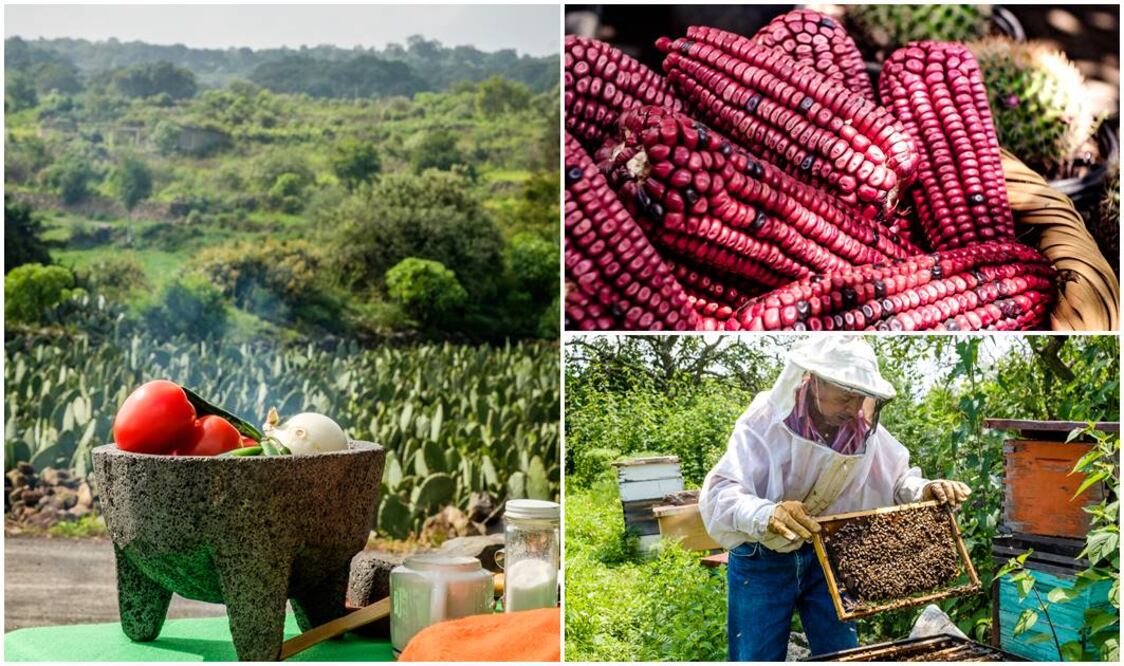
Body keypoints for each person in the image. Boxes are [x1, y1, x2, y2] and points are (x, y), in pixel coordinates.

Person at [698, 336, 971, 661]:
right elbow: (721, 493)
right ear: (814, 383)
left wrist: (926, 490)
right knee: (756, 655)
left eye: (860, 398)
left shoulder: (860, 430)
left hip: (827, 555)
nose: (854, 408)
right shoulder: (764, 421)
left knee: (842, 654)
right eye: (845, 397)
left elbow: (899, 479)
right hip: (762, 558)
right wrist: (767, 514)